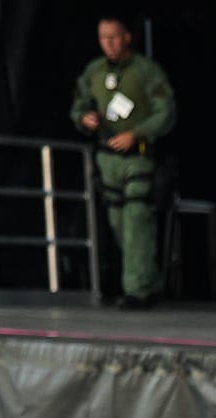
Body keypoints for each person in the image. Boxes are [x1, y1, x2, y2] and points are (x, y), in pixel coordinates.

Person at [69, 17, 175, 308]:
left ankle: (137, 289)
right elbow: (79, 104)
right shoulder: (95, 71)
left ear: (127, 37)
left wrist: (137, 134)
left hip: (137, 155)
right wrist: (84, 118)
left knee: (136, 219)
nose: (109, 44)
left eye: (114, 37)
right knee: (116, 223)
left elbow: (165, 112)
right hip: (107, 155)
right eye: (103, 38)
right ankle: (144, 281)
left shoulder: (146, 71)